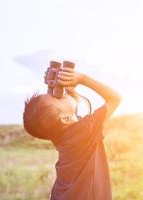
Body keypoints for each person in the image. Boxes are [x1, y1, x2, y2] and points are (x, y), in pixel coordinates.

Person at [23, 66, 122, 200]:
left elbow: (71, 112)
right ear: (64, 118)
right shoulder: (84, 131)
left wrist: (61, 85)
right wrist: (82, 79)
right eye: (57, 98)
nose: (59, 94)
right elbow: (115, 98)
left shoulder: (64, 135)